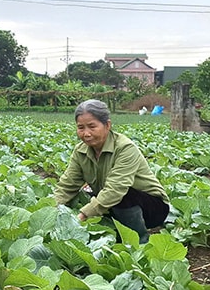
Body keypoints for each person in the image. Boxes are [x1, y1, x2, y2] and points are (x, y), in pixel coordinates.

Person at [54, 99, 169, 244]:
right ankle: (115, 230)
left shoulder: (125, 148)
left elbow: (116, 189)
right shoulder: (80, 151)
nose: (86, 133)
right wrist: (50, 211)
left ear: (107, 125)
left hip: (152, 208)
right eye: (81, 127)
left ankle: (138, 242)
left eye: (92, 126)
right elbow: (67, 185)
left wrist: (83, 215)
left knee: (121, 195)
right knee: (84, 194)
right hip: (115, 204)